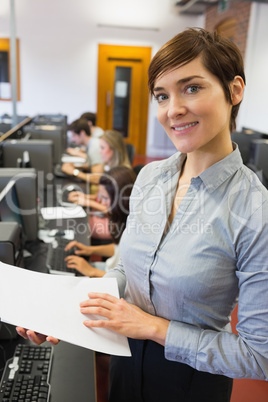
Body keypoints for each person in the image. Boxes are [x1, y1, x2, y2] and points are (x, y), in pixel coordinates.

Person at [16, 27, 268, 402]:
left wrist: (153, 328)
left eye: (192, 88)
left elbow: (258, 356)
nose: (173, 110)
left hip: (190, 385)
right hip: (124, 366)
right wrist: (61, 312)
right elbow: (124, 272)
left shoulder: (254, 210)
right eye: (162, 95)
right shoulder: (150, 177)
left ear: (235, 90)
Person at [64, 166, 136, 277]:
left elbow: (128, 283)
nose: (101, 203)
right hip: (110, 269)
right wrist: (90, 250)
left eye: (105, 198)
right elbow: (118, 249)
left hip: (112, 280)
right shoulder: (122, 220)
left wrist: (92, 271)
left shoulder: (134, 232)